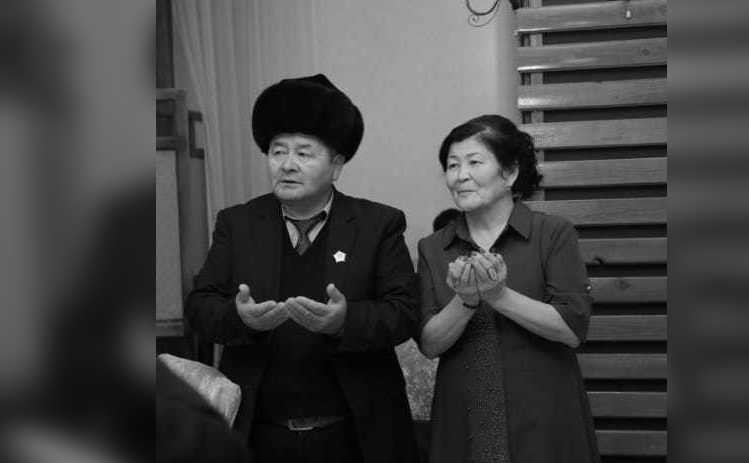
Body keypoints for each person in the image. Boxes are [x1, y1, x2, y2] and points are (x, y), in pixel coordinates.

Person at [185, 74, 420, 463]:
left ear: (336, 165)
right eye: (278, 152)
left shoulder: (378, 224)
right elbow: (199, 306)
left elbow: (405, 311)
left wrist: (344, 321)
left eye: (304, 154)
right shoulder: (238, 223)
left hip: (356, 435)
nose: (287, 165)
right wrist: (240, 318)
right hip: (257, 434)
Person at [417, 115, 599, 463]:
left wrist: (499, 295)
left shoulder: (552, 234)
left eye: (474, 162)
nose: (460, 175)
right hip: (463, 417)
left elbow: (572, 329)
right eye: (452, 165)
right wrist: (465, 301)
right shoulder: (433, 247)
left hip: (544, 416)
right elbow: (430, 344)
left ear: (510, 172)